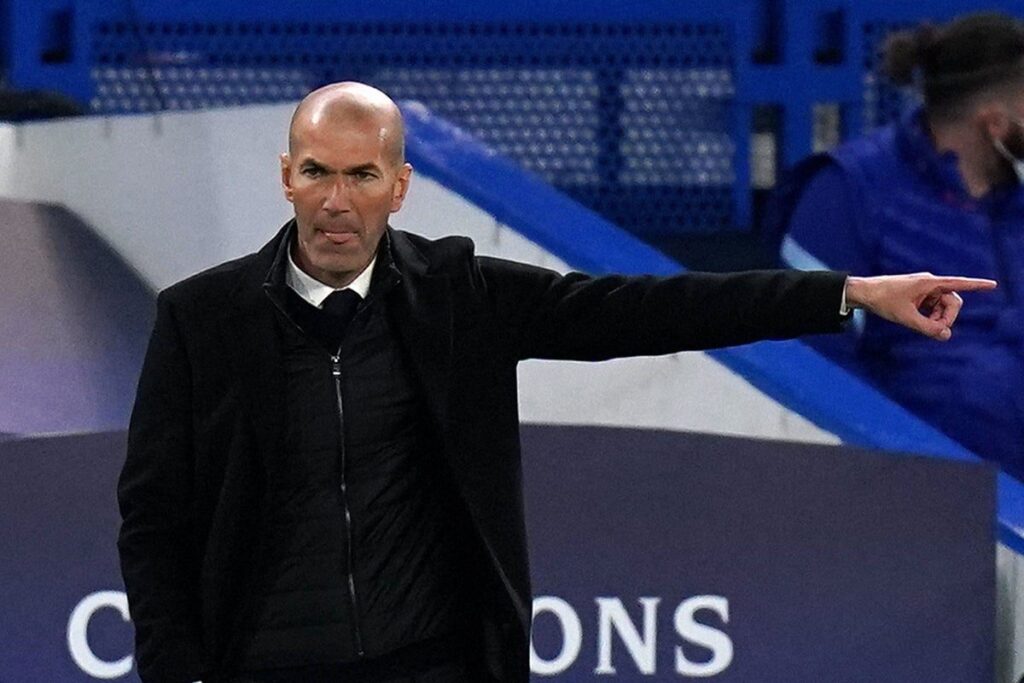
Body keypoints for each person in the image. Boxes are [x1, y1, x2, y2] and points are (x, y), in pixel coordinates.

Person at [117, 81, 994, 683]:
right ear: (286, 176)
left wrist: (846, 291)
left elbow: (650, 311)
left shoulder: (462, 297)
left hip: (433, 661)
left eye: (361, 175)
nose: (335, 200)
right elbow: (154, 520)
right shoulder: (202, 319)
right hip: (263, 663)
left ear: (401, 187)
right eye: (316, 172)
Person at [775, 13, 1024, 481]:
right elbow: (814, 377)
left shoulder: (1015, 196)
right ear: (994, 123)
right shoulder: (846, 194)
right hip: (920, 498)